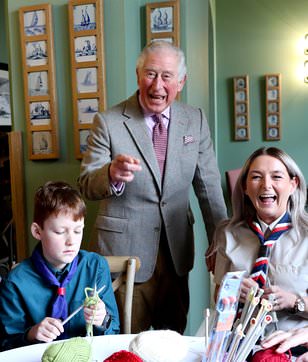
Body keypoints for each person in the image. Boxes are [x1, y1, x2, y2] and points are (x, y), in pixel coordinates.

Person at [78, 40, 227, 334]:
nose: (157, 85)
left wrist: (220, 243)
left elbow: (209, 187)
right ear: (137, 74)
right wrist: (111, 174)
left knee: (172, 338)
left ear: (181, 81)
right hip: (124, 255)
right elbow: (86, 183)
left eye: (167, 76)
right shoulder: (107, 122)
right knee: (124, 340)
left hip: (176, 252)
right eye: (150, 74)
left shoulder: (194, 120)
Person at [0, 181, 119, 351]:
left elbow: (115, 331)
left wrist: (102, 320)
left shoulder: (95, 267)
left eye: (78, 231)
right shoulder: (16, 282)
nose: (71, 241)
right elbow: (5, 346)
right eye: (60, 232)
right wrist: (30, 334)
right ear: (37, 232)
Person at [213, 147, 308, 334]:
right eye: (256, 177)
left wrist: (294, 301)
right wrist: (231, 291)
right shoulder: (227, 233)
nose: (266, 185)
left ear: (293, 184)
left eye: (277, 177)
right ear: (245, 188)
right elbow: (218, 298)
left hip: (292, 346)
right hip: (238, 345)